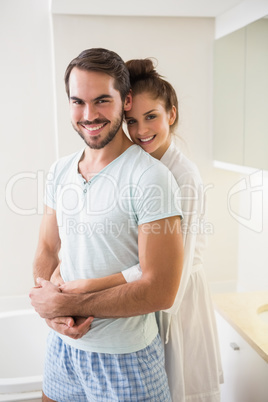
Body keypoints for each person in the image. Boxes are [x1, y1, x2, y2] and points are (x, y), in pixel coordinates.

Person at [51, 58, 224, 402]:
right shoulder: (138, 166)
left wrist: (90, 287)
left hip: (179, 296)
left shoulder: (181, 176)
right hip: (141, 303)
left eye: (152, 117)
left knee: (179, 389)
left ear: (171, 114)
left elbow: (165, 275)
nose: (142, 129)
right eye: (132, 121)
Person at [29, 48, 184, 402]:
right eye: (78, 102)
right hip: (63, 347)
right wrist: (53, 314)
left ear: (125, 100)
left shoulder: (151, 178)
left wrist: (71, 304)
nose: (89, 114)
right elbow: (47, 249)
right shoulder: (59, 170)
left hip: (126, 358)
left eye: (101, 100)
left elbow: (160, 289)